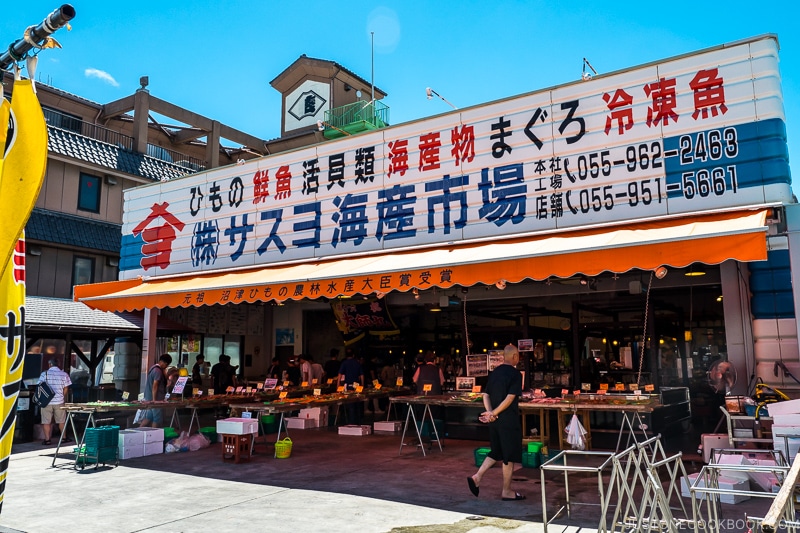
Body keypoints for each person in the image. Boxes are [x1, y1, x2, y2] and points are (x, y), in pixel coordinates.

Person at [467, 344, 524, 501]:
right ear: (514, 357)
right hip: (507, 420)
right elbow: (510, 397)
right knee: (508, 456)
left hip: (495, 421)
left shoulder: (495, 372)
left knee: (496, 451)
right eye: (518, 356)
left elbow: (485, 395)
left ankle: (477, 477)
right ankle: (507, 491)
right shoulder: (515, 374)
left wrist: (490, 413)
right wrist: (493, 413)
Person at [38, 358, 72, 445]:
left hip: (46, 402)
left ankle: (47, 440)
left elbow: (40, 386)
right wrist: (61, 396)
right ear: (58, 364)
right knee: (61, 421)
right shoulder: (64, 374)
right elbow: (66, 388)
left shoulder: (44, 374)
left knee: (46, 421)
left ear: (49, 364)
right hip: (59, 401)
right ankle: (64, 438)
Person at [139, 354, 172, 428]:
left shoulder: (153, 368)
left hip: (149, 397)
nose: (166, 367)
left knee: (149, 417)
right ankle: (153, 435)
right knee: (157, 419)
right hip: (155, 399)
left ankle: (138, 431)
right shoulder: (158, 371)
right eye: (167, 365)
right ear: (164, 363)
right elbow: (155, 386)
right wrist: (154, 400)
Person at [338, 348, 364, 424]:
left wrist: (338, 385)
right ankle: (358, 421)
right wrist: (362, 385)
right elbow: (362, 375)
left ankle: (351, 422)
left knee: (350, 404)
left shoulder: (344, 363)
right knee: (357, 403)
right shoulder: (357, 363)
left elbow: (340, 374)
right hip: (356, 386)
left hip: (348, 386)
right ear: (353, 355)